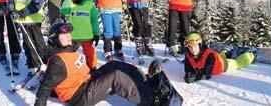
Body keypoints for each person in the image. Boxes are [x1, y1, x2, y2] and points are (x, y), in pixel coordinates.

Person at [35, 22, 171, 106]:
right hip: (79, 97)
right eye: (64, 35)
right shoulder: (57, 61)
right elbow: (45, 87)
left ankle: (146, 83)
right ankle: (152, 100)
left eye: (69, 33)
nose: (69, 36)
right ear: (55, 39)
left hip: (87, 81)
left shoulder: (69, 49)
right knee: (116, 77)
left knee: (115, 65)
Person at [12, 0, 46, 75]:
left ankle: (42, 64)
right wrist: (9, 8)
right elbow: (13, 0)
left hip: (33, 20)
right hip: (22, 21)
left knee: (38, 44)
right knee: (27, 45)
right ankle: (31, 66)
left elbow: (37, 4)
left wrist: (23, 12)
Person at [183, 33, 254, 83]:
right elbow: (188, 67)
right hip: (218, 58)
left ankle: (251, 53)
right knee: (221, 55)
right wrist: (188, 74)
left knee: (238, 63)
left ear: (200, 45)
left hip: (223, 65)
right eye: (190, 47)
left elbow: (207, 73)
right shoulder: (188, 55)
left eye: (195, 46)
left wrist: (195, 77)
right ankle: (226, 50)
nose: (193, 49)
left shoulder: (209, 55)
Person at [61, 0, 100, 69]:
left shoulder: (90, 5)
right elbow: (64, 10)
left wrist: (96, 34)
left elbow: (94, 20)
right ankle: (74, 72)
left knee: (91, 57)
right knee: (72, 58)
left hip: (87, 37)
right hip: (73, 37)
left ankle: (93, 71)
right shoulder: (71, 3)